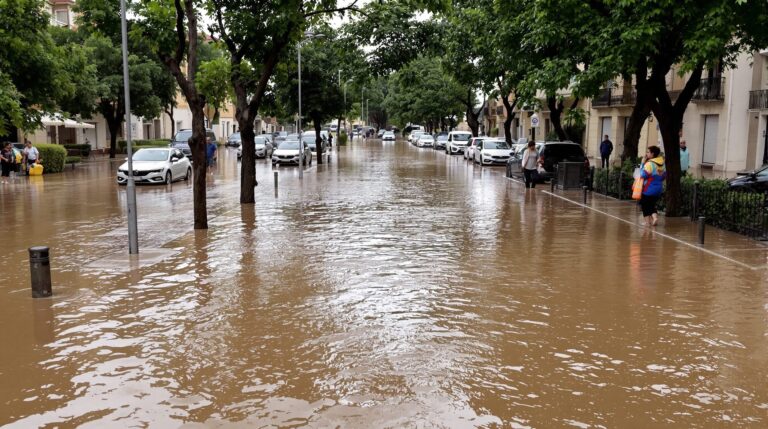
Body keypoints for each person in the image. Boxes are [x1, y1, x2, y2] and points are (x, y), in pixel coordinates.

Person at [639, 145, 666, 226]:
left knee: (645, 205)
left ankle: (647, 223)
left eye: (648, 152)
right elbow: (664, 176)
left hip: (648, 188)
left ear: (652, 154)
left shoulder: (650, 164)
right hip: (658, 188)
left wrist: (642, 164)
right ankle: (654, 218)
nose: (646, 154)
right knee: (651, 204)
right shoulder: (662, 164)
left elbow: (643, 175)